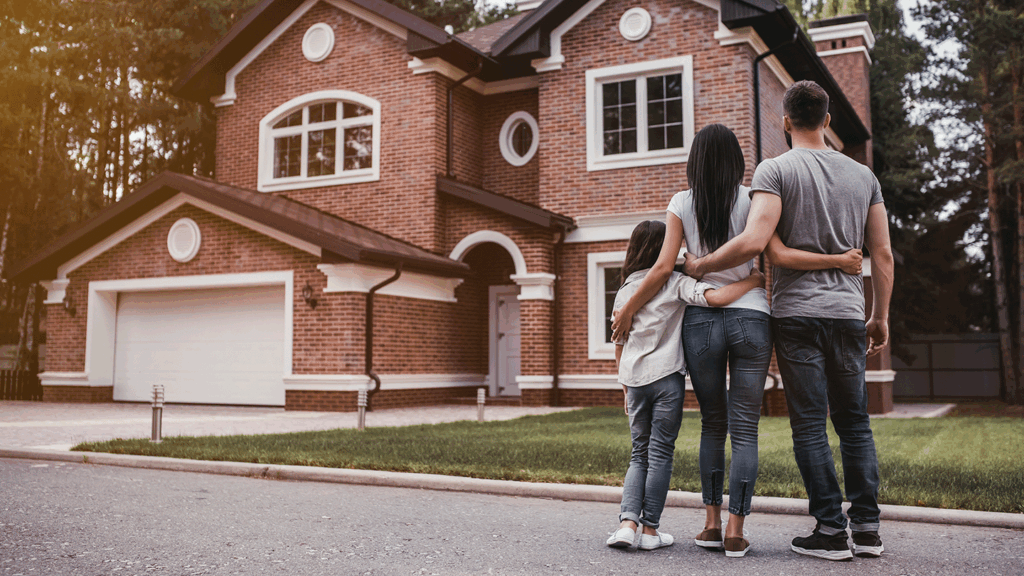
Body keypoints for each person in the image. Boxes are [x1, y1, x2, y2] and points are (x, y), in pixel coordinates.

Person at [610, 124, 862, 558]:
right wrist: (755, 279)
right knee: (745, 429)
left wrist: (630, 307)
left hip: (702, 322)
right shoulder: (754, 198)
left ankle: (708, 525)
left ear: (694, 161)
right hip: (751, 317)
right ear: (737, 162)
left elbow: (662, 268)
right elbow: (772, 250)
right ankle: (734, 531)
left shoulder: (681, 202)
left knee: (713, 423)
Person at [682, 81, 895, 561]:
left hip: (797, 315)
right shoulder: (864, 177)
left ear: (784, 121)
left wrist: (700, 265)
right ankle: (866, 528)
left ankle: (830, 531)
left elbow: (757, 241)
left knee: (810, 427)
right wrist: (879, 314)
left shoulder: (775, 170)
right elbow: (881, 252)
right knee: (855, 423)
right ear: (828, 119)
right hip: (846, 314)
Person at [606, 220, 765, 552]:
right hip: (666, 380)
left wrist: (623, 387)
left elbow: (618, 341)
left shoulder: (624, 290)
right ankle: (650, 531)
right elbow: (718, 298)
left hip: (634, 382)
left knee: (639, 454)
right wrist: (752, 280)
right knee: (660, 453)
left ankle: (626, 524)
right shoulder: (676, 283)